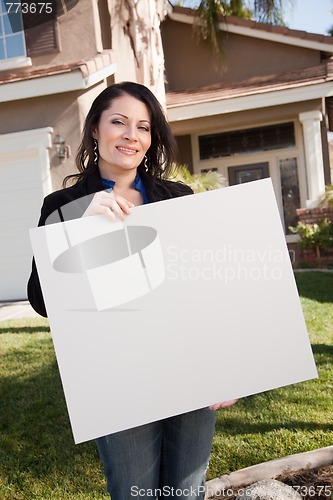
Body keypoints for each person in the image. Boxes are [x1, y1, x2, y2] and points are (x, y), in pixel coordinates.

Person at [27, 81, 236, 499]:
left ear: (151, 139)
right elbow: (41, 299)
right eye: (118, 122)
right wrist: (79, 227)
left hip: (187, 366)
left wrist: (223, 368)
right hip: (116, 378)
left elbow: (204, 290)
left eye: (143, 127)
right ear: (94, 131)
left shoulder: (178, 197)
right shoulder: (63, 204)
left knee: (186, 490)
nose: (131, 135)